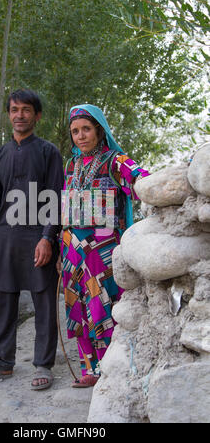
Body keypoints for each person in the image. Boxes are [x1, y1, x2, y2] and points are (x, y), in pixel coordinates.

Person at [0, 89, 64, 390]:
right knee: (3, 300)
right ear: (8, 115)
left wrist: (48, 238)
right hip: (5, 238)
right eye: (14, 110)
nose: (20, 115)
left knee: (44, 301)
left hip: (38, 237)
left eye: (26, 110)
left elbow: (56, 199)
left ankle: (43, 364)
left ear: (37, 116)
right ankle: (1, 362)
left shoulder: (49, 152)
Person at [59, 104, 149, 388]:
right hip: (73, 250)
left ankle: (112, 366)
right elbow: (67, 208)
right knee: (79, 308)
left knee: (104, 307)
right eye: (75, 131)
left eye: (86, 129)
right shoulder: (71, 166)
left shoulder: (115, 161)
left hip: (103, 252)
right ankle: (91, 370)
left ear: (99, 129)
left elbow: (142, 180)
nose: (80, 136)